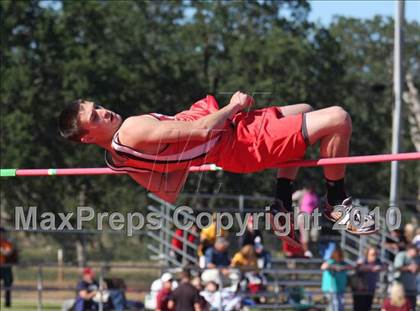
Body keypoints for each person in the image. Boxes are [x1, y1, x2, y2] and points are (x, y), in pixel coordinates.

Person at [58, 92, 376, 246]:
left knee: (306, 111)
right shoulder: (130, 129)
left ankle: (281, 202)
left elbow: (168, 192)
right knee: (337, 118)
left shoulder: (116, 160)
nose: (104, 112)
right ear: (87, 137)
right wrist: (234, 105)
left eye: (96, 106)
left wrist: (182, 156)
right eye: (95, 117)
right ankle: (337, 202)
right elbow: (201, 130)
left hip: (231, 140)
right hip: (237, 141)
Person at [351, 246, 386, 311]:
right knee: (358, 308)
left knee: (367, 307)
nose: (374, 256)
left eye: (375, 254)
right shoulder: (362, 260)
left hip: (370, 288)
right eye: (372, 254)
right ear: (367, 254)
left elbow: (384, 266)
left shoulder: (377, 261)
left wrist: (380, 267)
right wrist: (370, 268)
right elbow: (357, 267)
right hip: (360, 289)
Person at [393, 244, 420, 310]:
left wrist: (417, 268)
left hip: (412, 288)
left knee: (411, 307)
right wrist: (409, 268)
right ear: (409, 250)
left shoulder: (417, 257)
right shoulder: (401, 255)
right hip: (401, 288)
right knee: (400, 307)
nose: (416, 253)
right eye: (415, 251)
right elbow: (397, 267)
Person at [0, 227, 16, 308]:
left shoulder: (7, 243)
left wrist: (2, 251)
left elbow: (8, 252)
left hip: (6, 267)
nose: (2, 235)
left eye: (3, 233)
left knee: (8, 286)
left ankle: (7, 304)